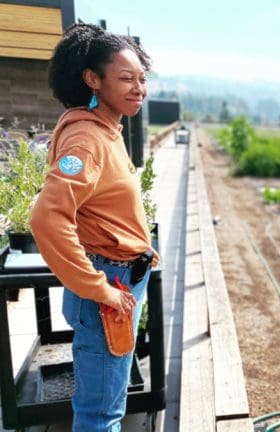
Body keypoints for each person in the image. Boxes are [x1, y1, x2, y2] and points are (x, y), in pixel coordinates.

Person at [29, 23, 159, 431]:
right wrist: (98, 287)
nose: (139, 88)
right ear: (93, 79)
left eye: (142, 78)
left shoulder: (107, 128)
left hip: (120, 279)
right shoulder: (86, 140)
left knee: (107, 398)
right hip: (108, 286)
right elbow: (47, 217)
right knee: (101, 413)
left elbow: (100, 204)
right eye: (125, 78)